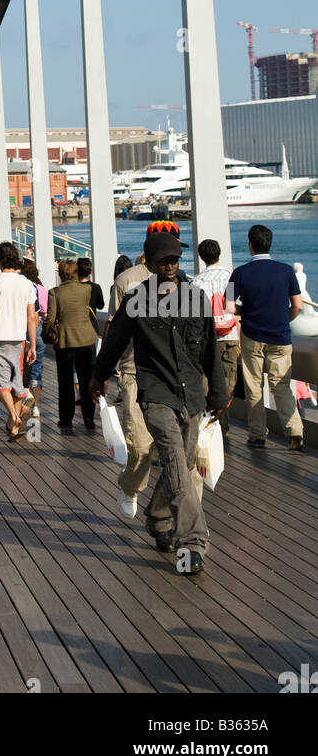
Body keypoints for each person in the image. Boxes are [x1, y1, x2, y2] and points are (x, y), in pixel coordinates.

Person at [90, 228, 228, 575]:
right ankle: (192, 543)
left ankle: (156, 516)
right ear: (150, 264)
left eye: (174, 259)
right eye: (162, 260)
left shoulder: (196, 298)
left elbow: (210, 348)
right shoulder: (137, 300)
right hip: (157, 396)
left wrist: (219, 394)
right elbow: (115, 340)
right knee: (177, 463)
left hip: (192, 395)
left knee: (178, 464)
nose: (170, 265)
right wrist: (98, 377)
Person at [227, 224, 304, 451]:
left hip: (252, 336)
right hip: (280, 337)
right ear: (269, 244)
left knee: (254, 387)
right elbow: (298, 306)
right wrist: (282, 320)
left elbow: (228, 307)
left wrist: (246, 312)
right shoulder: (286, 271)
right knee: (281, 386)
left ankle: (257, 435)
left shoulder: (240, 273)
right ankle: (295, 432)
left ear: (250, 245)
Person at [0, 242, 37, 440]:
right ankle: (14, 424)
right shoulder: (27, 284)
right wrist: (33, 344)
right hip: (20, 339)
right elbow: (32, 316)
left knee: (0, 380)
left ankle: (14, 415)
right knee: (16, 380)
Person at [45, 259, 98, 430]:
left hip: (65, 340)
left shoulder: (55, 293)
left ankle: (66, 418)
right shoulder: (87, 289)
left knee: (65, 382)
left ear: (60, 274)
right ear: (76, 273)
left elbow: (51, 318)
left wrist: (45, 333)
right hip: (86, 338)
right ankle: (89, 417)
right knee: (86, 379)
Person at [192, 238, 238, 436]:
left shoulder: (197, 281)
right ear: (219, 253)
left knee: (207, 382)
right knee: (228, 382)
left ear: (202, 257)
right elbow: (235, 306)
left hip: (206, 339)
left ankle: (210, 422)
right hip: (229, 335)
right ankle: (223, 425)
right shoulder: (231, 277)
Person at [21, 258, 47, 419]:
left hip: (24, 331)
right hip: (39, 330)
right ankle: (36, 406)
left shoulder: (23, 287)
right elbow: (44, 311)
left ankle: (25, 397)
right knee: (37, 369)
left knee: (23, 369)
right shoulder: (42, 289)